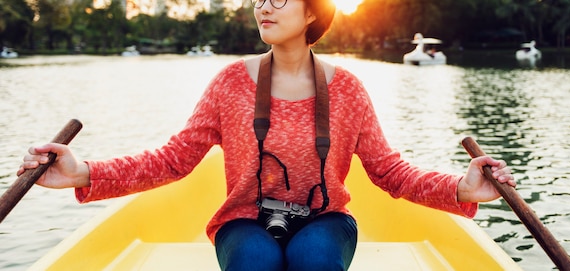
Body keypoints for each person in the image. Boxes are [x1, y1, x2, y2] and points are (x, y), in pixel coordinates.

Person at [18, 0, 516, 270]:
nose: (263, 7)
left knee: (313, 261)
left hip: (326, 219)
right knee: (253, 264)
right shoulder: (230, 83)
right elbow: (172, 160)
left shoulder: (348, 89)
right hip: (244, 221)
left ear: (313, 12)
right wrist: (82, 173)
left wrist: (460, 188)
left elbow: (389, 171)